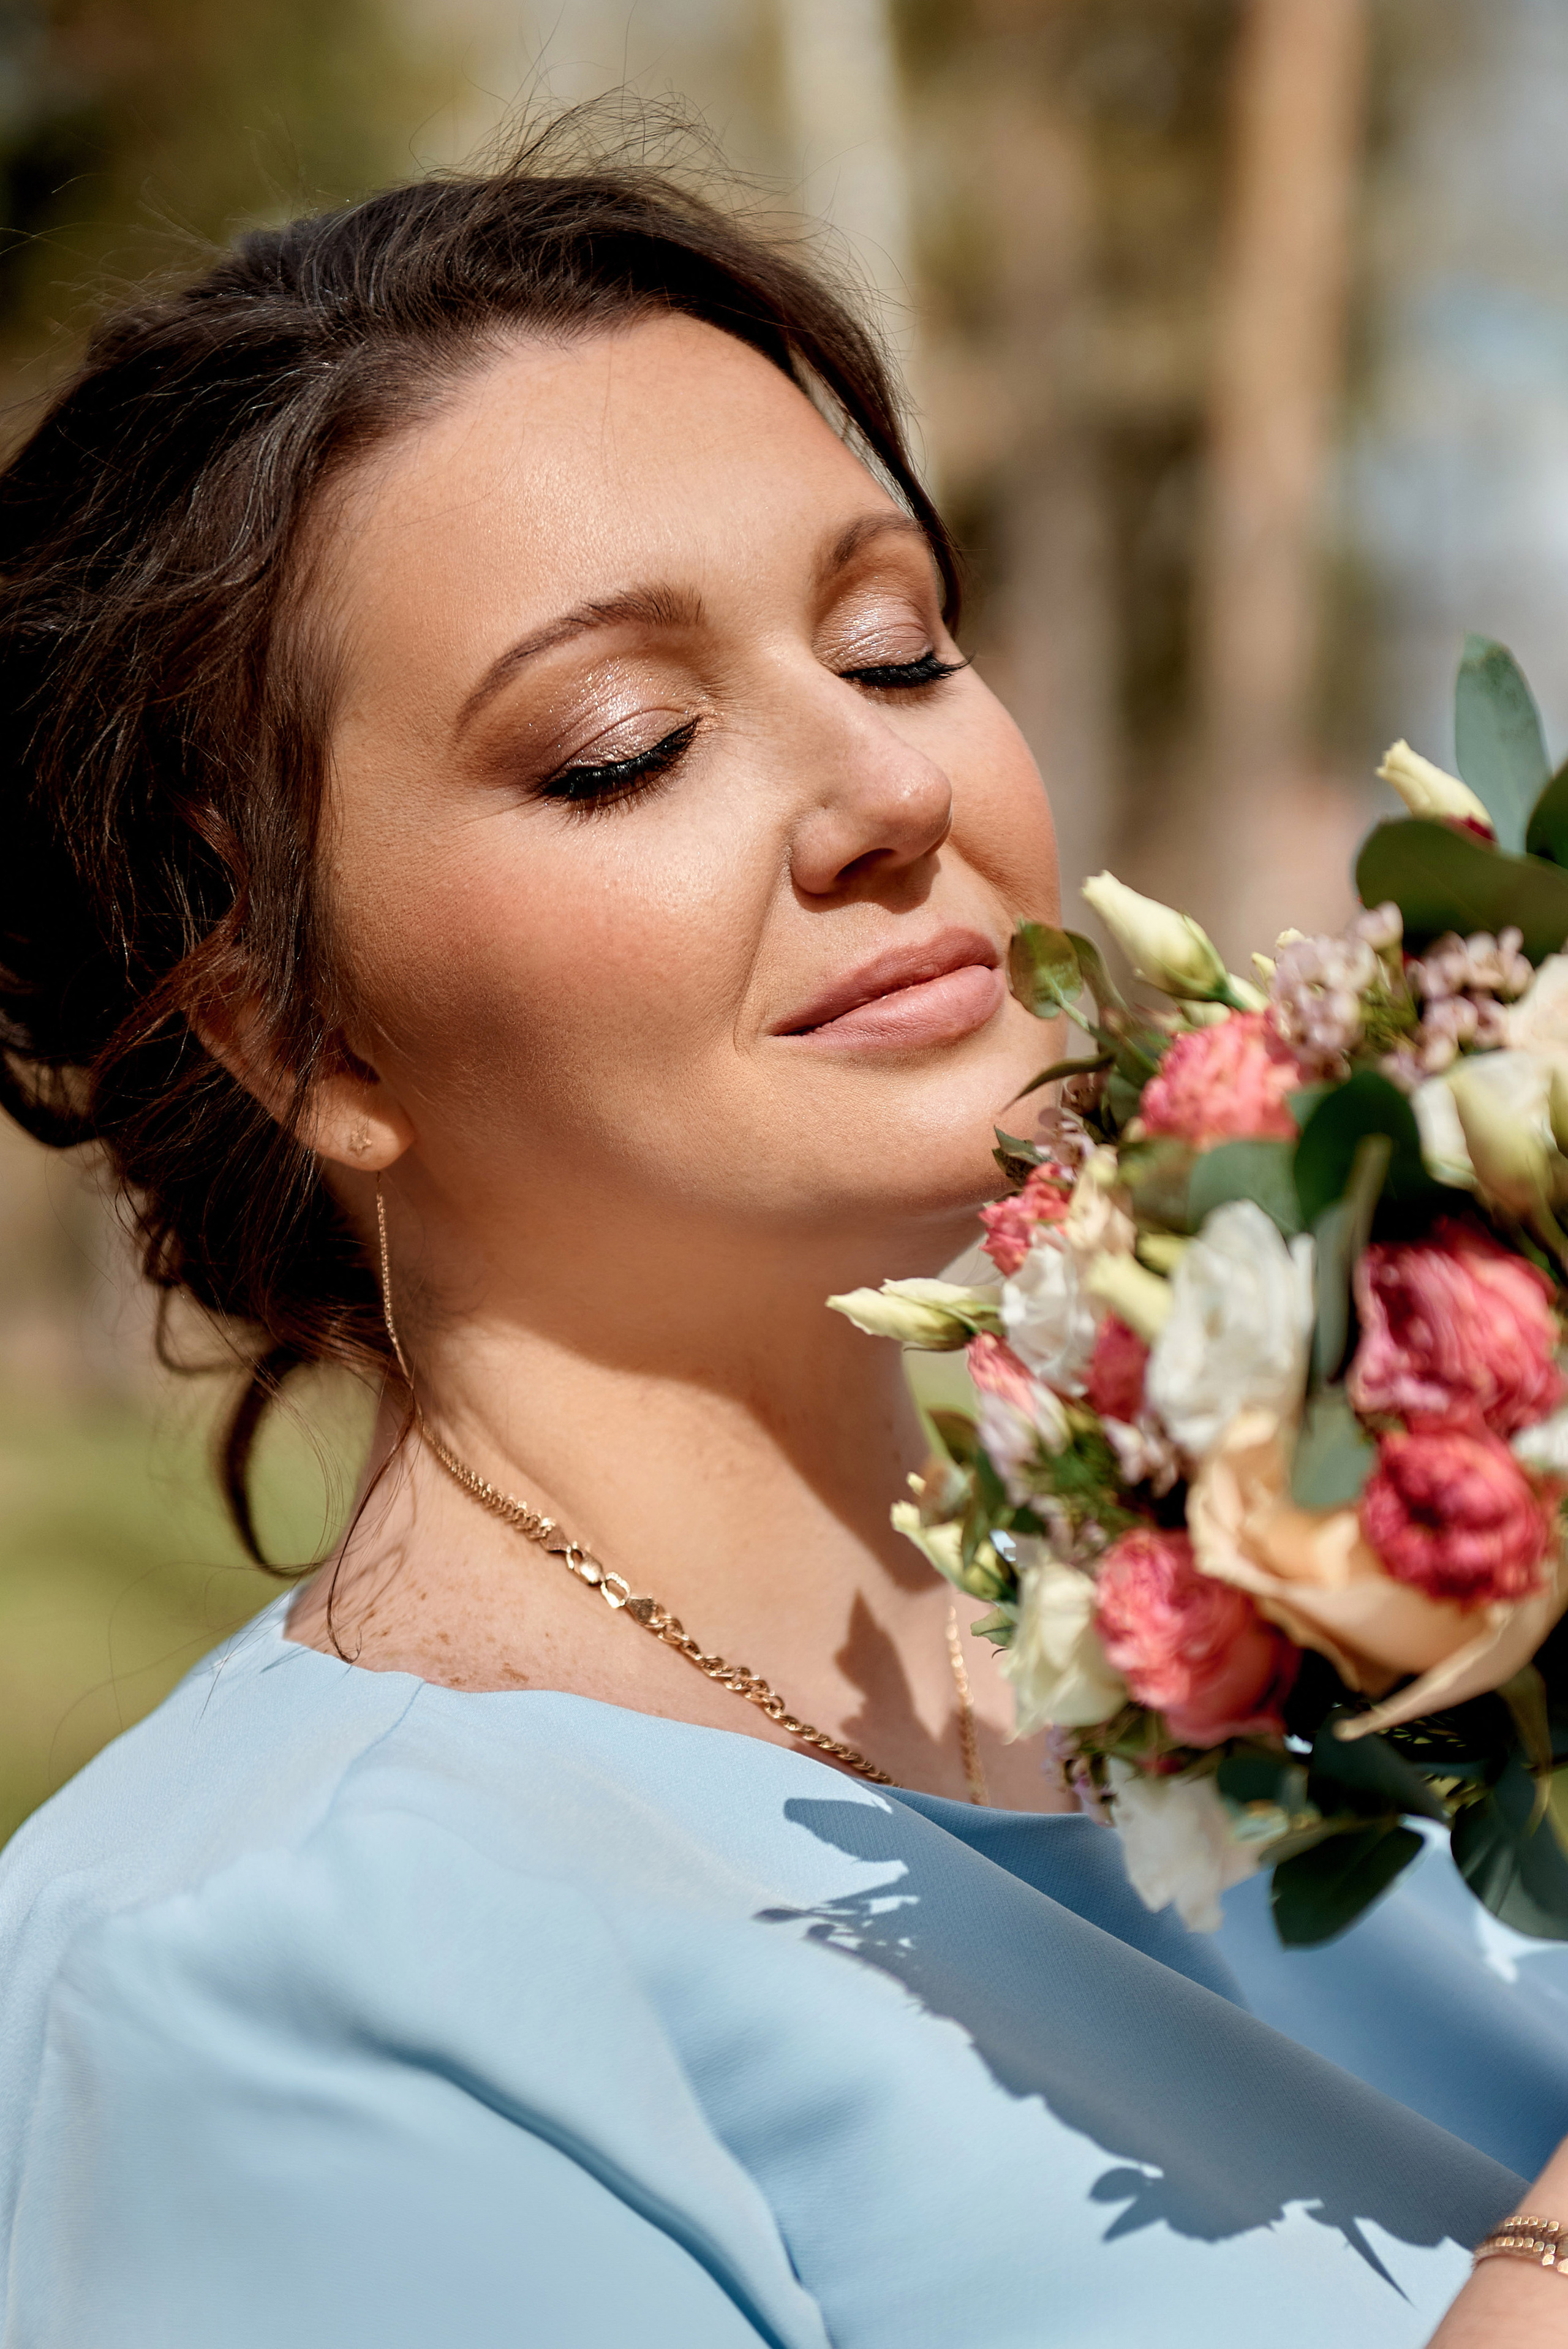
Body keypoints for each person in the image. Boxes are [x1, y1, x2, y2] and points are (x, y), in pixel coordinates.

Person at [0, 123, 1560, 2347]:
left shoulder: (1360, 1631)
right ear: (289, 1029)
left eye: (898, 644)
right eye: (623, 749)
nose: (889, 793)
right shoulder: (249, 1992)